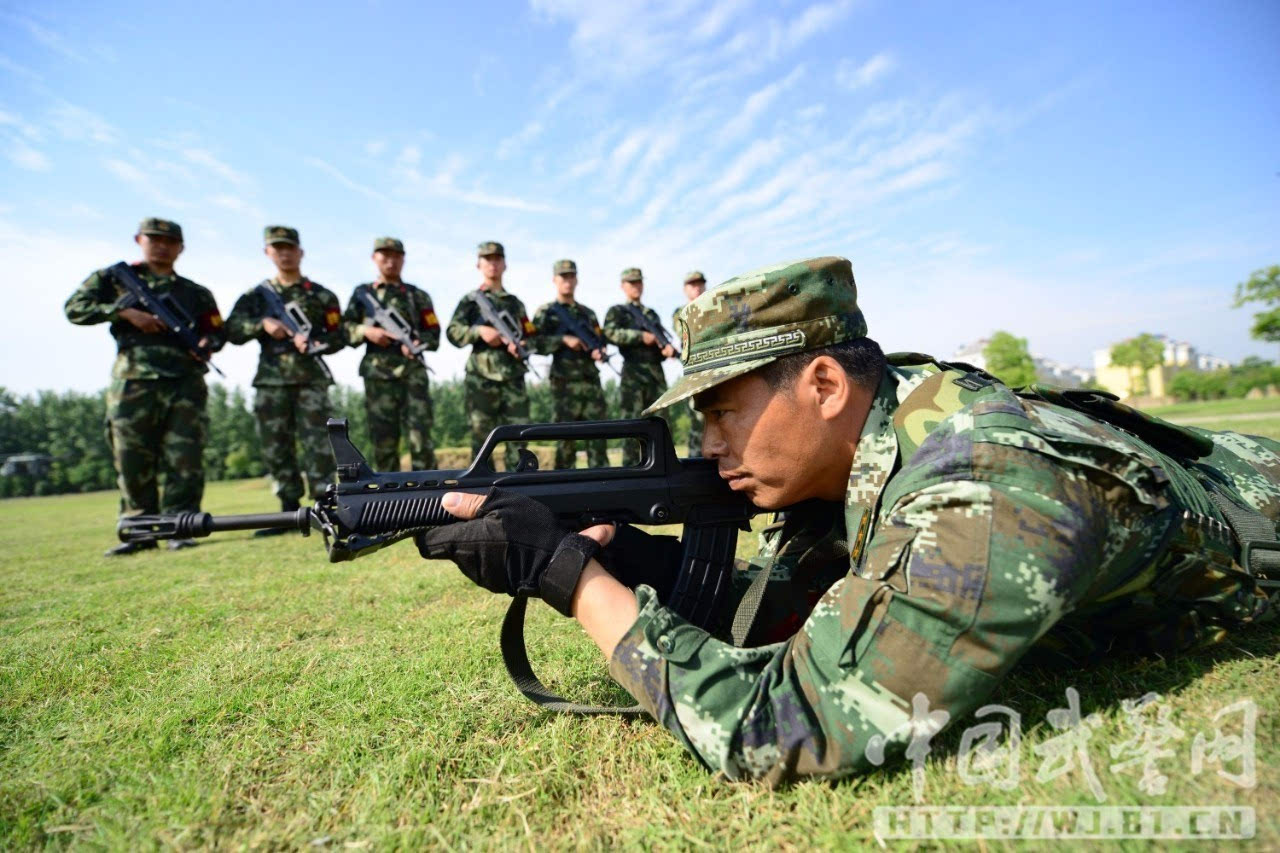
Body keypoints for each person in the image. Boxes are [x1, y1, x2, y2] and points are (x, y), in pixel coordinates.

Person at [415, 256, 1280, 786]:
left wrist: (574, 584)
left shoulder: (980, 485)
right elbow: (806, 615)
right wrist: (638, 561)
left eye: (722, 413)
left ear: (825, 384)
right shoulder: (887, 420)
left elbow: (785, 724)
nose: (708, 445)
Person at [65, 217, 226, 556]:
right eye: (154, 239)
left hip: (184, 382)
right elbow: (75, 308)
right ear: (139, 239)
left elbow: (217, 331)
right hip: (133, 381)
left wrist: (208, 343)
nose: (162, 245)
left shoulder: (195, 293)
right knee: (131, 458)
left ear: (180, 247)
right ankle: (139, 531)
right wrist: (123, 314)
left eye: (169, 240)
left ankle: (181, 528)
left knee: (185, 459)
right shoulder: (115, 279)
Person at [226, 226, 344, 530]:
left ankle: (325, 508)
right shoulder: (256, 296)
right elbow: (231, 330)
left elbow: (340, 335)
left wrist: (316, 344)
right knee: (275, 447)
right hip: (271, 382)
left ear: (300, 252)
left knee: (319, 445)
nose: (285, 253)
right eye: (277, 248)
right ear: (268, 253)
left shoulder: (320, 295)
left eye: (290, 247)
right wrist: (262, 325)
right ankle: (287, 511)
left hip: (311, 381)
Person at [342, 237, 441, 471]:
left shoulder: (418, 296)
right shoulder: (363, 294)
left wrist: (418, 343)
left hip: (413, 373)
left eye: (396, 256)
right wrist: (366, 331)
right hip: (378, 375)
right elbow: (344, 330)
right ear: (374, 258)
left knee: (421, 439)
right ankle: (388, 499)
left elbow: (434, 333)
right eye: (384, 255)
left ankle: (428, 497)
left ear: (403, 259)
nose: (391, 261)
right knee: (383, 442)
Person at [446, 241, 535, 471]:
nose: (492, 264)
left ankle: (520, 491)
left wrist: (523, 344)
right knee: (481, 441)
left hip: (513, 377)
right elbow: (453, 332)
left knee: (519, 438)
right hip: (481, 378)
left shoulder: (515, 304)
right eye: (487, 259)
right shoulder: (471, 301)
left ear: (505, 264)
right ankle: (481, 495)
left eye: (497, 259)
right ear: (479, 264)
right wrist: (479, 331)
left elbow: (532, 336)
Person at [530, 260, 609, 469]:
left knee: (598, 439)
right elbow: (532, 342)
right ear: (554, 280)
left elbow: (601, 341)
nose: (568, 281)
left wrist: (600, 352)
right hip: (563, 385)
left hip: (590, 382)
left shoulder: (587, 313)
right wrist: (563, 340)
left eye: (571, 276)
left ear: (577, 279)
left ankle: (603, 489)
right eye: (563, 277)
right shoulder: (546, 312)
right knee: (565, 441)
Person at [604, 267, 676, 465]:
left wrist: (666, 350)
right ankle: (630, 469)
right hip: (633, 373)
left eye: (639, 282)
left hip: (655, 373)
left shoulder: (651, 314)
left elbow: (661, 340)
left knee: (662, 423)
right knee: (631, 423)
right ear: (623, 286)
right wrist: (640, 336)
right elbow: (609, 333)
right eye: (631, 282)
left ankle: (662, 467)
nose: (636, 286)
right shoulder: (618, 311)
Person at [677, 270, 707, 457]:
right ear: (685, 289)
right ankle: (696, 462)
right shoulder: (680, 314)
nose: (697, 288)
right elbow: (686, 332)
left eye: (700, 283)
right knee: (697, 422)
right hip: (695, 374)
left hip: (718, 372)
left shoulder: (713, 310)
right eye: (692, 284)